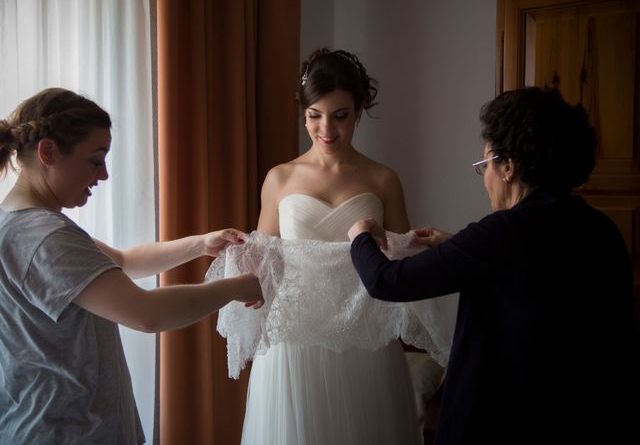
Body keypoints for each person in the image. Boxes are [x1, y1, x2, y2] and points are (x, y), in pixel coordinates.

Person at [348, 86, 640, 445]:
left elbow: (386, 281)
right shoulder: (601, 229)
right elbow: (533, 274)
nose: (483, 175)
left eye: (483, 165)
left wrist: (360, 235)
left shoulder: (501, 234)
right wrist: (457, 244)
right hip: (585, 417)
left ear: (508, 167)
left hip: (502, 419)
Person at [0, 88, 263, 445]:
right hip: (67, 430)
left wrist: (201, 244)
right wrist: (236, 288)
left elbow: (122, 262)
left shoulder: (20, 225)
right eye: (95, 159)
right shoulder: (46, 238)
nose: (104, 174)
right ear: (48, 152)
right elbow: (146, 314)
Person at [240, 48, 422, 444]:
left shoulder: (383, 178)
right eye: (314, 116)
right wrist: (243, 267)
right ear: (303, 113)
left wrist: (387, 242)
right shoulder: (280, 178)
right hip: (294, 342)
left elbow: (404, 267)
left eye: (340, 116)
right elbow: (264, 260)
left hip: (364, 339)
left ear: (358, 111)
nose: (327, 130)